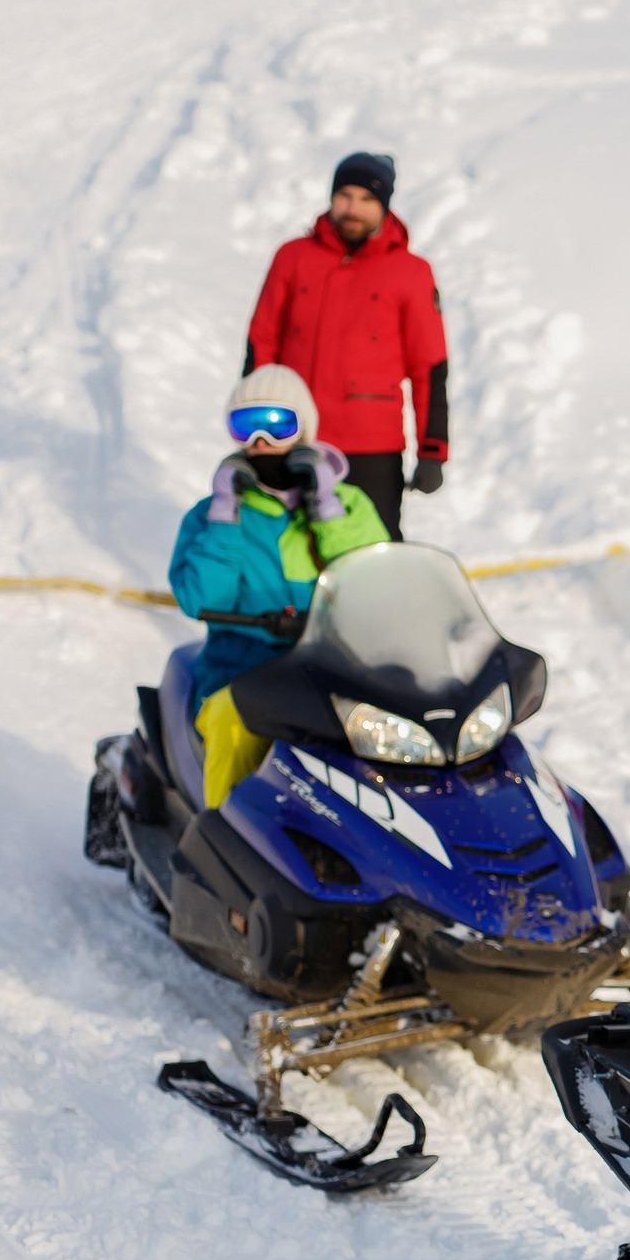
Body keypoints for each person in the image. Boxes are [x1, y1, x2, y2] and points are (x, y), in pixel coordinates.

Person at [168, 366, 389, 807]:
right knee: (233, 726)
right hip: (243, 671)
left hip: (337, 667)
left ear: (304, 427)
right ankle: (223, 843)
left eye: (277, 423)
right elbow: (200, 599)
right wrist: (225, 515)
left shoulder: (349, 506)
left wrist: (325, 509)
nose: (261, 443)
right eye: (245, 426)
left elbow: (375, 585)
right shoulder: (212, 516)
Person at [243, 152, 448, 540]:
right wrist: (256, 431)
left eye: (367, 200)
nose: (353, 209)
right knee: (286, 543)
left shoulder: (411, 272)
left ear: (384, 207)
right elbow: (261, 343)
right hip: (292, 437)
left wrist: (432, 450)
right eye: (345, 195)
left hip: (371, 447)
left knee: (373, 548)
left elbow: (430, 367)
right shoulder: (293, 258)